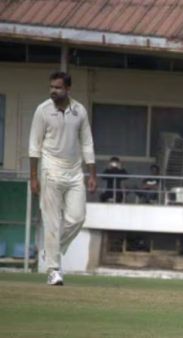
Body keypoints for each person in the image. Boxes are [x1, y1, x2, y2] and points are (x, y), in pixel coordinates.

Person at [29, 71, 96, 286]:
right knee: (52, 221)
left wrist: (92, 173)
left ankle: (51, 251)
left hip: (75, 171)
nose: (53, 91)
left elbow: (87, 143)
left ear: (68, 89)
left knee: (77, 218)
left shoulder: (79, 111)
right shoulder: (43, 110)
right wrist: (33, 177)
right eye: (51, 87)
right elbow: (34, 145)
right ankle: (53, 269)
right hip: (50, 169)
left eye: (57, 88)